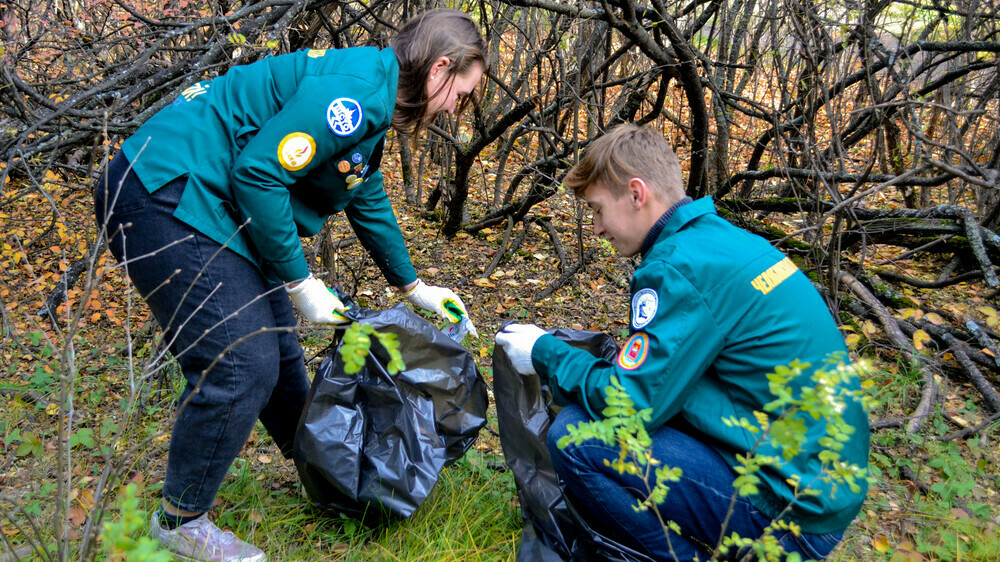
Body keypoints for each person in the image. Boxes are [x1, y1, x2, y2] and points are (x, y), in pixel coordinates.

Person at [94, 10, 487, 561]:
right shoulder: (356, 93)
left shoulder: (373, 93)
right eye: (459, 94)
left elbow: (363, 191)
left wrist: (413, 286)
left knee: (278, 353)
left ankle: (325, 471)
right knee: (241, 362)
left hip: (209, 203)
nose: (452, 109)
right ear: (440, 67)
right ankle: (179, 521)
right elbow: (258, 174)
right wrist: (301, 284)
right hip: (164, 189)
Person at [495, 123, 870, 561]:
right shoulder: (724, 241)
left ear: (637, 194)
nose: (595, 228)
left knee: (575, 437)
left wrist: (544, 351)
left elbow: (629, 405)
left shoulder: (677, 268)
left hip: (790, 514)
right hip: (824, 483)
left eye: (597, 210)